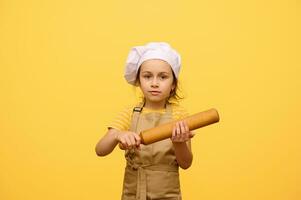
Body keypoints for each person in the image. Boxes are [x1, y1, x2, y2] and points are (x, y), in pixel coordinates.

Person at [95, 42, 194, 200]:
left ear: (173, 84)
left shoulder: (180, 115)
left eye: (163, 77)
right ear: (139, 82)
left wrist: (179, 142)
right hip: (133, 193)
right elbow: (100, 150)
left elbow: (186, 163)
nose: (154, 83)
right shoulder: (129, 113)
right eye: (147, 76)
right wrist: (117, 135)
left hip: (168, 195)